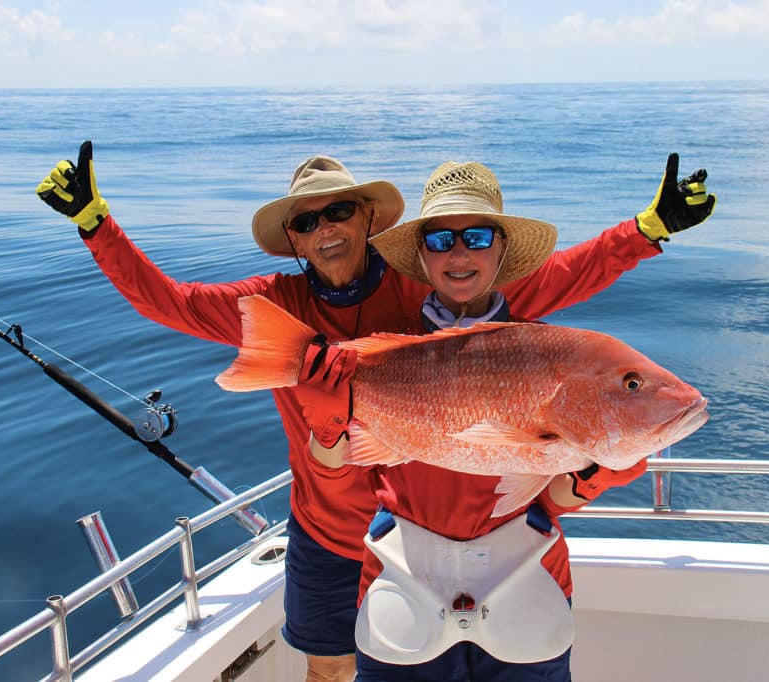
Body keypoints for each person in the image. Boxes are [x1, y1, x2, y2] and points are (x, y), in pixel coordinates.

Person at [35, 142, 707, 682]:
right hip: (332, 531)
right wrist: (96, 224)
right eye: (305, 221)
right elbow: (169, 303)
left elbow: (554, 281)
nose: (324, 230)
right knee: (328, 668)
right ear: (293, 241)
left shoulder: (429, 284)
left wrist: (645, 232)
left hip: (419, 529)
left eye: (337, 213)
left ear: (367, 220)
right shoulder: (279, 304)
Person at [304, 159, 715, 680]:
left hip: (528, 586)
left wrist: (607, 466)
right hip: (399, 585)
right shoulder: (384, 352)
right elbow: (337, 474)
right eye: (440, 240)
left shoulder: (543, 346)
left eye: (476, 237)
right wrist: (327, 429)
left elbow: (555, 498)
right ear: (422, 254)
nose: (459, 253)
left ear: (501, 249)